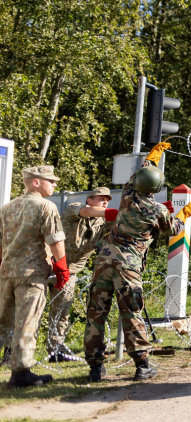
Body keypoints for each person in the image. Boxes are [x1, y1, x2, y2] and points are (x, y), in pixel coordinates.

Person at [84, 143, 191, 382]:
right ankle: (142, 365)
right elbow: (174, 229)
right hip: (128, 267)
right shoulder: (157, 210)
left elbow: (138, 175)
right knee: (131, 313)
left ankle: (95, 367)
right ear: (156, 189)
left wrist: (152, 158)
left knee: (96, 313)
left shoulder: (127, 195)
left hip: (104, 262)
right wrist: (184, 213)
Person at [0, 166, 67, 387]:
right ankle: (20, 373)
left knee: (2, 322)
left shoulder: (7, 208)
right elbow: (55, 240)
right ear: (36, 182)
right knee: (26, 323)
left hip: (7, 272)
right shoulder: (46, 206)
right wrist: (62, 269)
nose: (55, 184)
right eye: (51, 180)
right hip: (32, 275)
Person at [46, 186, 113, 362]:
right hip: (47, 265)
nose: (105, 202)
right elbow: (86, 211)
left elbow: (129, 222)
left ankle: (55, 349)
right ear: (90, 200)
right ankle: (17, 352)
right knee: (33, 311)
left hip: (71, 271)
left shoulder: (104, 222)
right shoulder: (74, 208)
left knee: (61, 312)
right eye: (101, 198)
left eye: (107, 200)